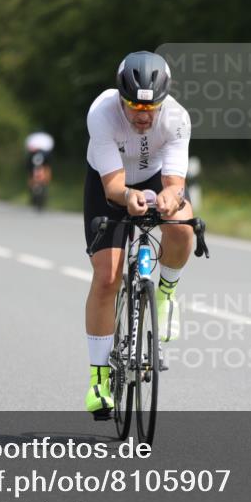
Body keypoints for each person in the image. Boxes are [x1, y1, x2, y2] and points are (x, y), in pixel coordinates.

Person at [82, 51, 193, 419]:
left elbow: (175, 184)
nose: (143, 116)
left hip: (154, 177)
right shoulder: (102, 113)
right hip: (108, 182)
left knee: (182, 226)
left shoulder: (177, 118)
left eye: (151, 108)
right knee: (108, 276)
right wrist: (129, 198)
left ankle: (165, 294)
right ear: (121, 98)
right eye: (134, 107)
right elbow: (114, 186)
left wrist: (169, 199)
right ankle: (99, 379)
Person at [25, 130, 54, 209]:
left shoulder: (34, 146)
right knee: (35, 172)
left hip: (40, 165)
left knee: (34, 172)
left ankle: (37, 188)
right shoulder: (44, 145)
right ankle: (38, 187)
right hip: (39, 164)